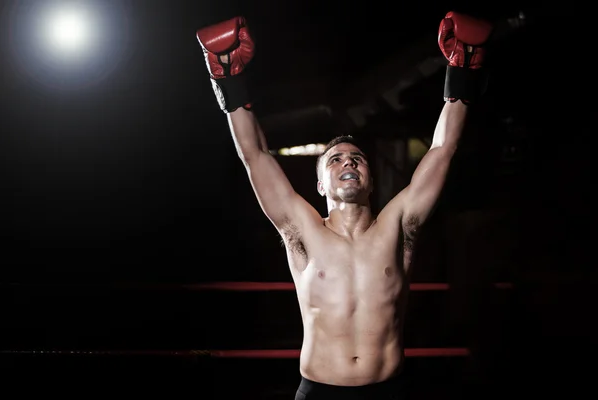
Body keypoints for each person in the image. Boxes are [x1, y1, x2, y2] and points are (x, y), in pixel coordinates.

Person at [196, 11, 493, 399]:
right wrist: (228, 79)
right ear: (320, 184)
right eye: (334, 159)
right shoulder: (302, 227)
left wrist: (463, 71)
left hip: (390, 388)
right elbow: (255, 155)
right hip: (320, 391)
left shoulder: (398, 223)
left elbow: (442, 149)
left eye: (357, 158)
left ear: (370, 178)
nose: (347, 162)